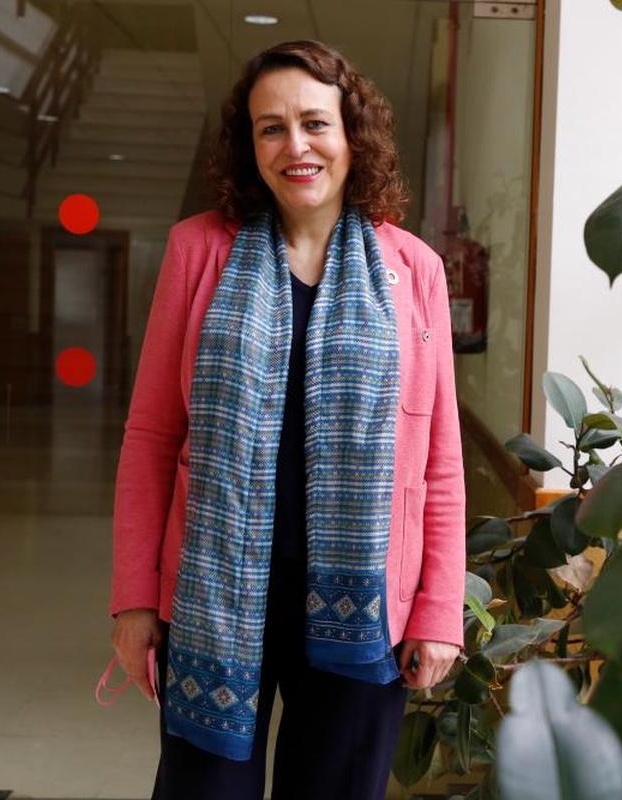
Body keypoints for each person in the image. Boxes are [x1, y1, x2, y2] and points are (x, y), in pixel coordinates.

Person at [103, 39, 466, 800]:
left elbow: (438, 463)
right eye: (271, 128)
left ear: (351, 136)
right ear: (250, 146)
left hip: (366, 602)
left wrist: (439, 612)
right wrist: (135, 601)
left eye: (314, 123)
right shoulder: (197, 251)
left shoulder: (414, 270)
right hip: (214, 598)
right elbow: (150, 438)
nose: (295, 146)